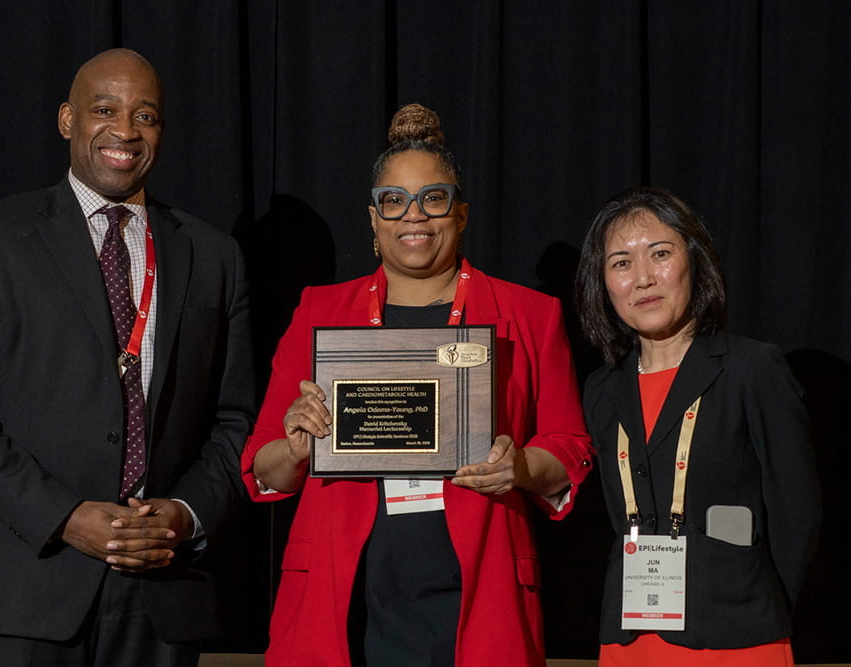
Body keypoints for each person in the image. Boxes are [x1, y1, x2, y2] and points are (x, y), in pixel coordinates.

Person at [0, 49, 254, 666]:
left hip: (161, 591)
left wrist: (183, 514)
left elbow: (235, 421)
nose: (125, 130)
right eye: (105, 110)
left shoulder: (213, 256)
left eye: (145, 116)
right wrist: (65, 516)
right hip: (20, 587)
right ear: (68, 119)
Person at [240, 104, 594, 666]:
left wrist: (521, 467)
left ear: (461, 213)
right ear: (374, 218)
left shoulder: (531, 315)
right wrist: (298, 446)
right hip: (345, 596)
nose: (415, 217)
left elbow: (570, 447)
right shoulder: (319, 311)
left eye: (434, 199)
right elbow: (262, 462)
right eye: (394, 202)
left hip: (482, 588)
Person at [574, 186, 821, 666]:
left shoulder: (753, 369)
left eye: (660, 254)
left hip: (740, 634)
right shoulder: (602, 389)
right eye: (621, 263)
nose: (643, 278)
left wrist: (760, 601)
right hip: (629, 637)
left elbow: (798, 512)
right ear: (601, 283)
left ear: (695, 261)